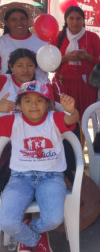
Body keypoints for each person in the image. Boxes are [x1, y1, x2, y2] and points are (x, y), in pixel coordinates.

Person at [0, 81, 79, 252]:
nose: (34, 105)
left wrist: (72, 110)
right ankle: (34, 239)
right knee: (5, 221)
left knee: (53, 220)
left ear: (47, 104)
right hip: (19, 178)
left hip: (51, 177)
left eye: (39, 100)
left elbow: (72, 119)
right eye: (27, 100)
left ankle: (28, 231)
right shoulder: (13, 120)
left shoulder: (54, 118)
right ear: (19, 105)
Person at [52, 6, 100, 118]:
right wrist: (66, 58)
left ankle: (83, 136)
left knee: (83, 119)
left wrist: (87, 57)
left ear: (83, 20)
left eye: (78, 18)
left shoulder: (92, 37)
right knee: (64, 119)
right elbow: (51, 63)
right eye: (71, 18)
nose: (75, 22)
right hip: (63, 85)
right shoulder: (58, 37)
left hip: (85, 86)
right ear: (66, 20)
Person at [0, 2, 48, 83]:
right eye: (13, 20)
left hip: (39, 91)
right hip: (9, 93)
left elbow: (52, 67)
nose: (19, 23)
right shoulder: (1, 43)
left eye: (22, 19)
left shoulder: (41, 41)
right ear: (7, 23)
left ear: (28, 20)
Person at [0, 49, 39, 116]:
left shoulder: (41, 87)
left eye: (30, 65)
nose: (25, 70)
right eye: (20, 66)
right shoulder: (3, 80)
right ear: (11, 67)